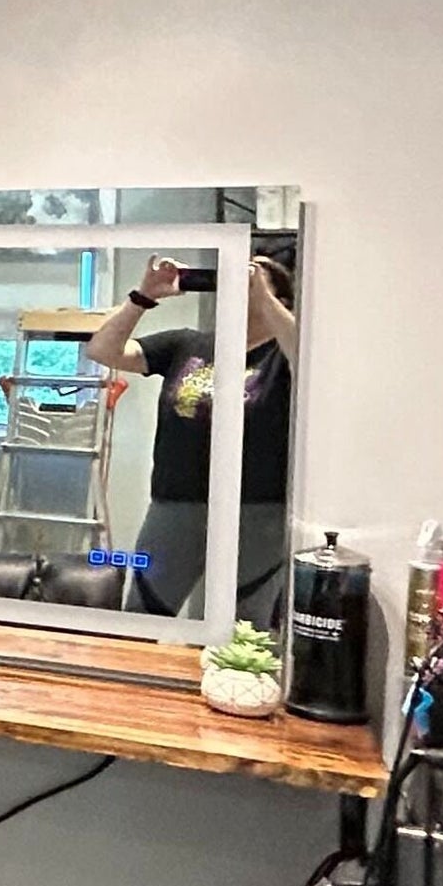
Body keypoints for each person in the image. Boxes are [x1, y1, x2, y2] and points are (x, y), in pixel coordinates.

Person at [82, 247, 297, 625]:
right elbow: (103, 350)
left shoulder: (285, 355)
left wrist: (262, 293)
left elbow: (308, 352)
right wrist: (143, 295)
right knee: (141, 617)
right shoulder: (187, 344)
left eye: (249, 281)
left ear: (281, 299)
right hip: (175, 505)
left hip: (258, 513)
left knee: (248, 629)